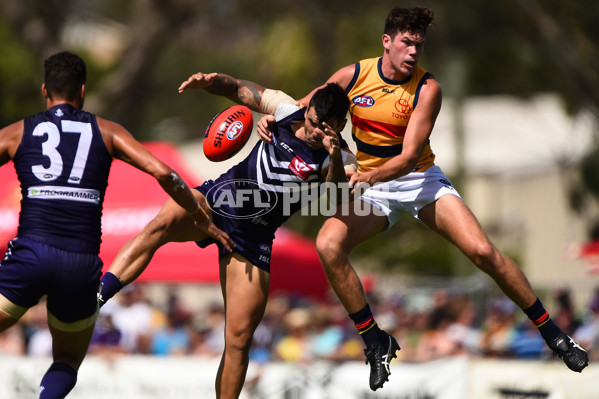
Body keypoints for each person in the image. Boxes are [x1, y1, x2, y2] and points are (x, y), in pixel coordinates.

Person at [255, 6, 589, 389]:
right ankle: (374, 341)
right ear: (387, 41)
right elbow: (306, 108)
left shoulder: (428, 88)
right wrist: (273, 120)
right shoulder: (353, 75)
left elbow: (410, 156)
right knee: (328, 245)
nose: (413, 51)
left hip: (417, 180)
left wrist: (366, 177)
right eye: (406, 42)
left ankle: (551, 332)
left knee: (482, 252)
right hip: (373, 185)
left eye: (419, 44)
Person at [98, 81, 356, 399]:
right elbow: (239, 90)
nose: (313, 131)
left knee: (238, 338)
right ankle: (96, 296)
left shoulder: (341, 158)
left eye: (324, 129)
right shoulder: (288, 110)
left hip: (253, 237)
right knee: (158, 227)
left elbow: (338, 196)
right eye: (312, 122)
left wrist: (331, 152)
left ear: (340, 126)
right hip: (218, 199)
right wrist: (210, 81)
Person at [0, 51, 233, 399]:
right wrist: (201, 218)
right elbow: (164, 173)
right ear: (82, 91)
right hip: (81, 264)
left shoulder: (18, 132)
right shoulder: (106, 131)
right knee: (66, 359)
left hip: (30, 254)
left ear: (44, 90)